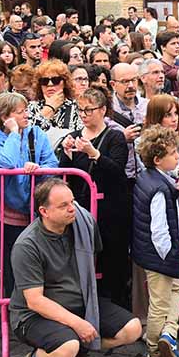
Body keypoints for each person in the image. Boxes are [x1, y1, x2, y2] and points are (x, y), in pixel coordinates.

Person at [12, 178, 142, 357]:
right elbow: (35, 301)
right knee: (68, 347)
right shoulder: (27, 245)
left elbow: (96, 256)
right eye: (63, 205)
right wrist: (78, 324)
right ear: (44, 211)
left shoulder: (83, 223)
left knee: (132, 329)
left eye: (72, 202)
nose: (72, 209)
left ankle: (78, 351)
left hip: (81, 301)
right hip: (34, 315)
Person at [56, 89, 131, 306]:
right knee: (81, 258)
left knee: (112, 260)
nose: (83, 114)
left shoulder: (115, 136)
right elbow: (66, 176)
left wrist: (94, 154)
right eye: (80, 110)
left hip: (111, 210)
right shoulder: (75, 136)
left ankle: (115, 306)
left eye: (88, 110)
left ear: (103, 110)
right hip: (82, 208)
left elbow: (117, 170)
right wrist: (67, 154)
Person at [0, 91, 59, 301]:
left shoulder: (37, 133)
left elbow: (53, 163)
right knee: (13, 263)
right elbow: (6, 162)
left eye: (26, 110)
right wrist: (14, 133)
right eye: (20, 112)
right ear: (5, 117)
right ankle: (14, 305)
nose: (26, 115)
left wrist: (38, 169)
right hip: (11, 215)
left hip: (38, 210)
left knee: (39, 262)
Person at [131, 125, 179, 357]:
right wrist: (168, 256)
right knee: (159, 303)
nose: (178, 156)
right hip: (160, 254)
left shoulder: (151, 177)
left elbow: (175, 173)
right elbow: (159, 230)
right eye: (173, 153)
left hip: (151, 252)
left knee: (178, 289)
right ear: (157, 159)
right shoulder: (158, 189)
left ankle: (168, 334)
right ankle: (155, 352)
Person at [26, 59, 82, 147]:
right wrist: (49, 107)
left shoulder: (77, 107)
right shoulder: (31, 107)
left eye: (56, 80)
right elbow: (29, 139)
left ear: (65, 82)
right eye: (44, 81)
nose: (50, 84)